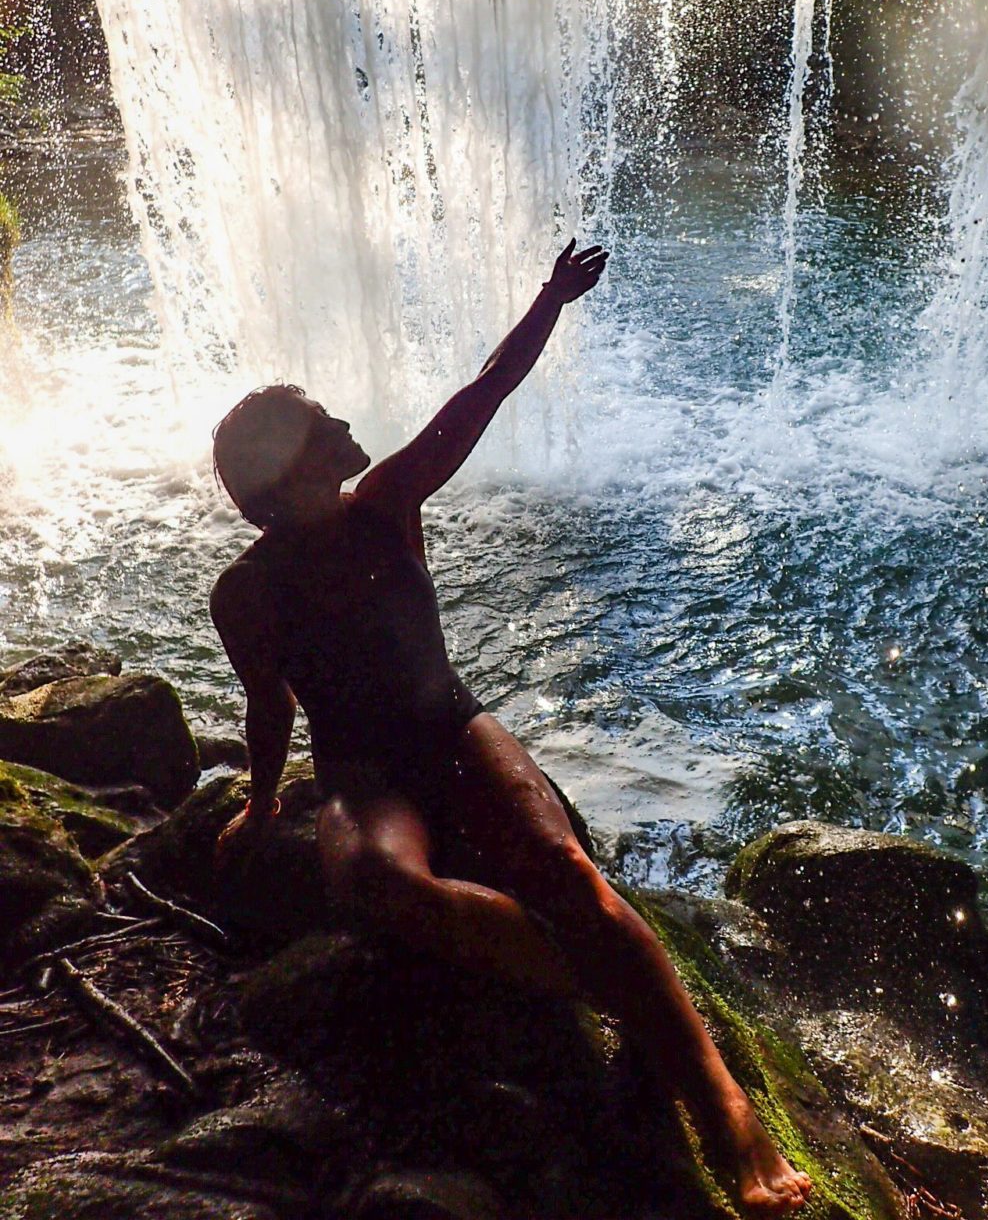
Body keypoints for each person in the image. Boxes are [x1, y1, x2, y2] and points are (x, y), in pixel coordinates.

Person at [209, 239, 810, 1217]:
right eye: (324, 426)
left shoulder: (387, 501)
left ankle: (722, 1099)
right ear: (283, 470)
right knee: (383, 886)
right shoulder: (246, 593)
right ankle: (631, 994)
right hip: (368, 782)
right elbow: (269, 706)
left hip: (453, 730)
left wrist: (550, 299)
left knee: (564, 870)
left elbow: (485, 390)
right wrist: (261, 803)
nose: (348, 425)